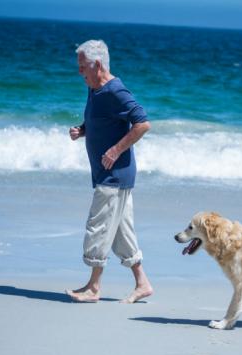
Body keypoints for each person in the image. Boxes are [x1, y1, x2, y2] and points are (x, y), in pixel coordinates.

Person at [66, 40, 153, 304]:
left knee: (99, 226)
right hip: (114, 175)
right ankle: (143, 283)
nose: (80, 72)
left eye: (83, 67)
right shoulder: (95, 89)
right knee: (119, 232)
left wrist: (115, 150)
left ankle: (93, 288)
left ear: (98, 65)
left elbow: (142, 124)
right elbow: (100, 118)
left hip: (114, 175)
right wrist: (83, 129)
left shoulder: (116, 90)